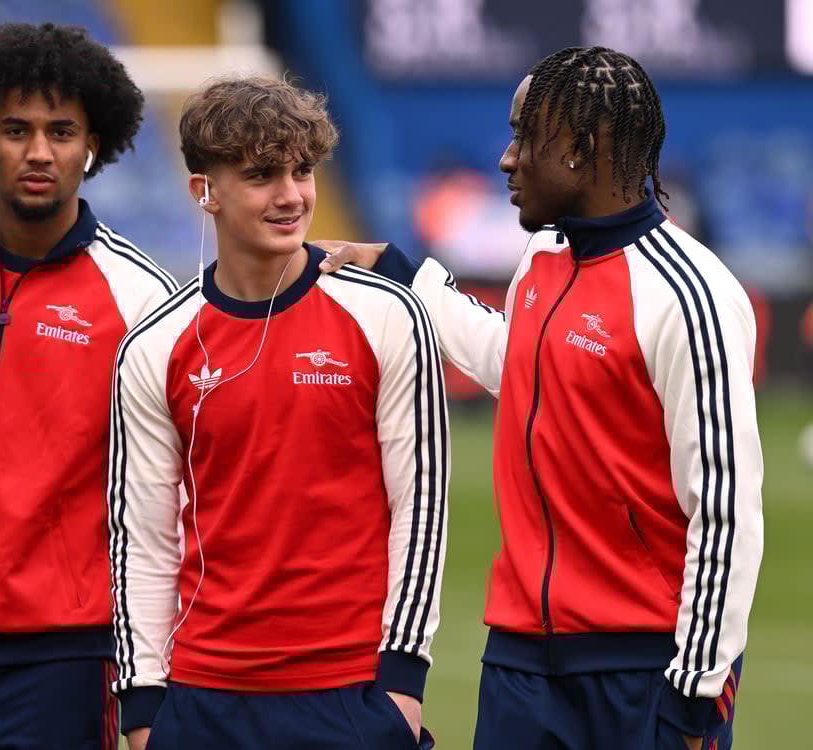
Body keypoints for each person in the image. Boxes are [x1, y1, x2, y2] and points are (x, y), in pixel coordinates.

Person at [322, 46, 764, 750]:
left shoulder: (691, 296)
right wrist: (404, 278)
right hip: (520, 661)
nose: (506, 158)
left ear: (582, 152)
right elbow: (520, 365)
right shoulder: (544, 257)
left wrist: (696, 697)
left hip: (643, 671)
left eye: (525, 136)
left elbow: (726, 511)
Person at [109, 75, 446, 750]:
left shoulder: (386, 314)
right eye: (261, 174)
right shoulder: (155, 346)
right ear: (204, 191)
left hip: (351, 694)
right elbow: (141, 539)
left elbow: (422, 509)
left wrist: (402, 684)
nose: (291, 195)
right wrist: (143, 707)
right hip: (203, 697)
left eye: (302, 170)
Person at [0, 24, 176, 750]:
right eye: (16, 129)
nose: (39, 152)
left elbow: (165, 495)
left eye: (61, 131)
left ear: (95, 145)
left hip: (65, 653)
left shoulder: (140, 297)